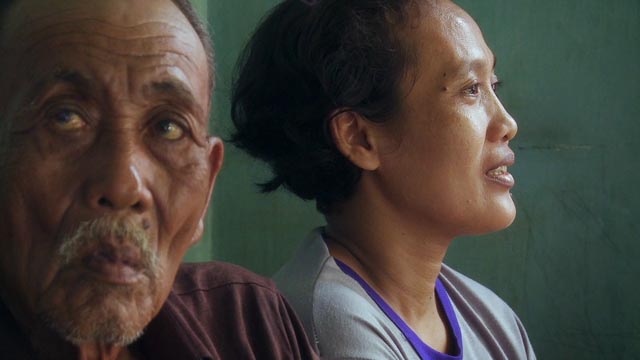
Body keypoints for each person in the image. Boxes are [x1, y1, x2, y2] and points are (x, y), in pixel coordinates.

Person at [0, 0, 318, 358]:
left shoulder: (248, 325)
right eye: (65, 117)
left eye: (168, 128)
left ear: (209, 185)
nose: (124, 186)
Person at [232, 0, 536, 359]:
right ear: (359, 137)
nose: (507, 124)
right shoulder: (321, 331)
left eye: (493, 84)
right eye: (471, 88)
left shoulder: (493, 321)